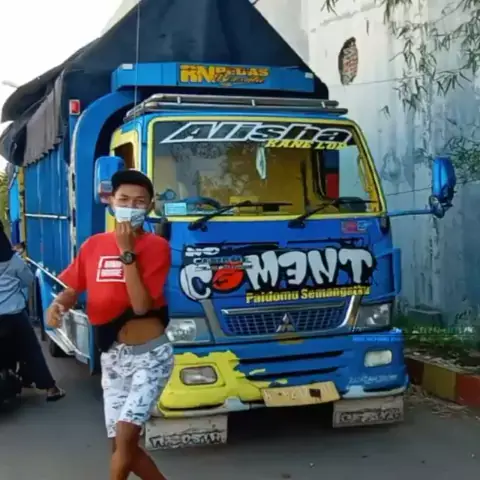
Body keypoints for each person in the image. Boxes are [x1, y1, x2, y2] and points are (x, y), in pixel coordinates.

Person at [46, 169, 173, 480]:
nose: (131, 206)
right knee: (120, 447)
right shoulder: (93, 245)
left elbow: (141, 305)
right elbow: (75, 287)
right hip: (114, 357)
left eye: (139, 201)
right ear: (111, 202)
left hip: (150, 357)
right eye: (124, 199)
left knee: (126, 438)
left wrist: (127, 252)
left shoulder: (157, 246)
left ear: (150, 206)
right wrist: (58, 304)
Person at [0, 222, 65, 401]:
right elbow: (28, 280)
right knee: (31, 349)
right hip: (14, 315)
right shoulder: (13, 260)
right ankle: (51, 389)